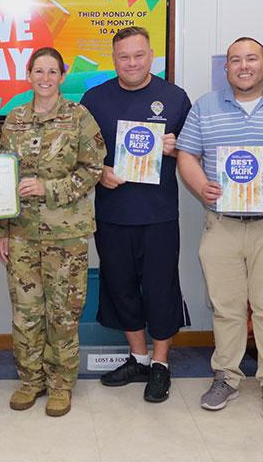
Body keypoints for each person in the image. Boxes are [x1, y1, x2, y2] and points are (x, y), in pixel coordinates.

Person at [177, 37, 263, 421]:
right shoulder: (205, 106)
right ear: (226, 68)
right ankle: (227, 375)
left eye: (251, 59)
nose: (244, 66)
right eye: (235, 60)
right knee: (225, 308)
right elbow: (187, 154)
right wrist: (197, 184)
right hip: (221, 224)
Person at [80, 26, 191, 403]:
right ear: (113, 59)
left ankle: (160, 364)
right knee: (120, 286)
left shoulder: (175, 98)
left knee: (160, 289)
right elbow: (82, 155)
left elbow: (195, 153)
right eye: (124, 56)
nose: (131, 63)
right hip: (112, 213)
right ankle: (138, 358)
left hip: (159, 213)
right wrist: (99, 173)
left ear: (151, 55)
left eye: (139, 55)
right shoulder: (94, 99)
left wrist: (177, 148)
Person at [0, 47, 105, 416]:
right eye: (38, 71)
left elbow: (94, 169)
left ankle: (60, 384)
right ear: (28, 74)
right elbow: (0, 179)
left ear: (62, 75)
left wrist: (49, 189)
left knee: (62, 313)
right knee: (25, 313)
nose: (45, 78)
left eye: (52, 71)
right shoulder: (14, 120)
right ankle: (30, 381)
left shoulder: (79, 118)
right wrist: (1, 231)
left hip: (66, 235)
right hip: (22, 234)